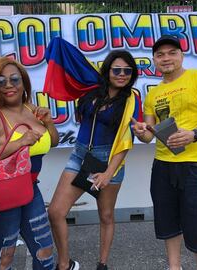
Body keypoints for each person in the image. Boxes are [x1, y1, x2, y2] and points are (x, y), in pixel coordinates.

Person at [131, 35, 197, 270]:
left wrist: (195, 134)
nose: (166, 58)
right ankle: (174, 267)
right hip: (163, 165)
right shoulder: (153, 94)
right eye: (160, 54)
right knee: (168, 221)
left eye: (172, 52)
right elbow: (149, 135)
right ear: (154, 59)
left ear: (182, 55)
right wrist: (141, 130)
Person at [48, 50, 142, 270]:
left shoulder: (131, 99)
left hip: (108, 161)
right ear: (108, 70)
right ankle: (65, 264)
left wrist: (109, 173)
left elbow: (125, 141)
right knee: (55, 212)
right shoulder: (91, 90)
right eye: (116, 69)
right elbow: (62, 50)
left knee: (106, 215)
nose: (121, 74)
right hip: (80, 156)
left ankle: (102, 264)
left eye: (127, 71)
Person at [0, 57, 59, 270]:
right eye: (1, 81)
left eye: (15, 79)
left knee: (45, 252)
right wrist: (20, 142)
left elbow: (52, 142)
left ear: (23, 82)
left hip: (30, 190)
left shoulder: (30, 109)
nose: (9, 85)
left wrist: (49, 123)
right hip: (1, 193)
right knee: (5, 257)